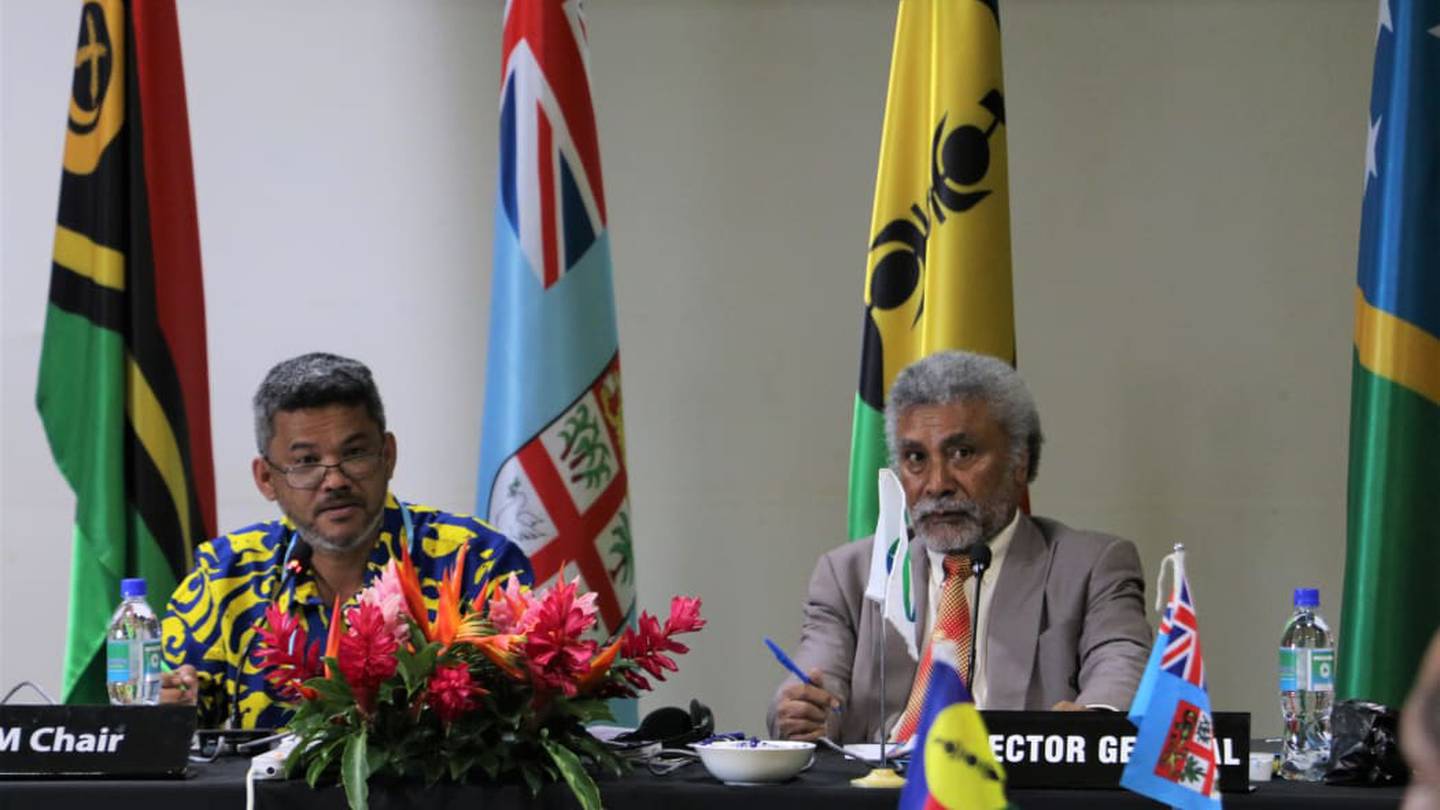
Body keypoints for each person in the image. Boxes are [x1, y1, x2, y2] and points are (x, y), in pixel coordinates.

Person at [768, 350, 1150, 742]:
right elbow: (815, 679)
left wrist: (1096, 723)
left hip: (1010, 778)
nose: (937, 484)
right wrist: (803, 711)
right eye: (916, 458)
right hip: (882, 778)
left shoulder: (1091, 567)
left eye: (962, 454)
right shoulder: (849, 575)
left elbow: (1120, 661)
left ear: (1019, 462)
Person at [159, 353, 533, 729]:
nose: (335, 481)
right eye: (306, 461)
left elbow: (528, 717)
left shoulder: (476, 561)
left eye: (354, 453)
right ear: (266, 479)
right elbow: (173, 715)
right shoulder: (227, 574)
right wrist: (170, 702)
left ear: (388, 456)